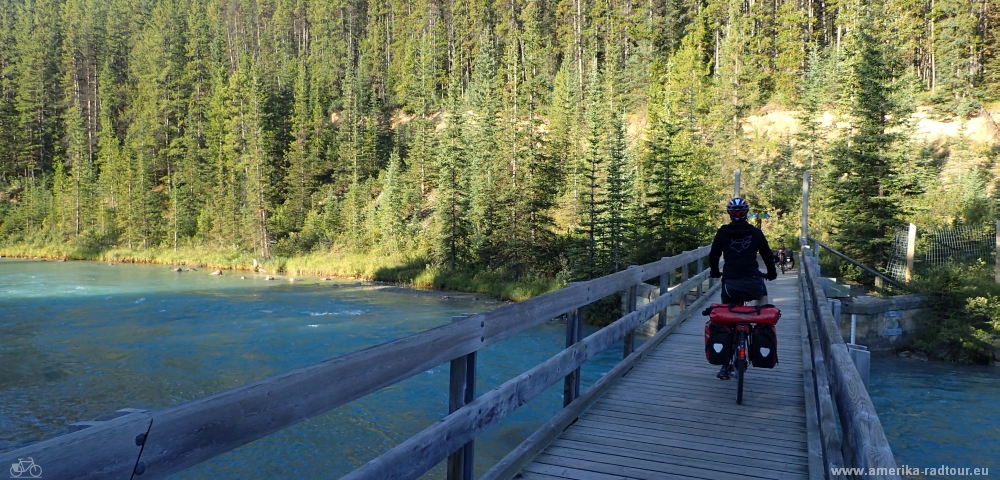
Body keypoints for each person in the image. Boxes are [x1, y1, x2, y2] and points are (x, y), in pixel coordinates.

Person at [709, 197, 778, 379]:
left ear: (729, 214)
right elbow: (768, 255)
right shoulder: (754, 232)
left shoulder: (723, 232)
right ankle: (761, 329)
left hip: (730, 283)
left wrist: (715, 272)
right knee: (762, 295)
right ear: (746, 213)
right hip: (753, 282)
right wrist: (772, 273)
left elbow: (713, 255)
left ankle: (725, 364)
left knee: (726, 316)